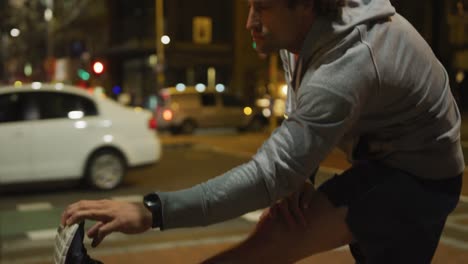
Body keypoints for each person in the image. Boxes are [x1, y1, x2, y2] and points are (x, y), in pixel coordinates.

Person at [61, 0, 465, 263]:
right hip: (388, 160)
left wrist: (149, 211)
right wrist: (302, 176)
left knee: (268, 246)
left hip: (416, 178)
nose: (251, 21)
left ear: (304, 6)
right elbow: (298, 106)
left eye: (264, 7)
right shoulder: (300, 36)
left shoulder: (348, 63)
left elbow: (268, 175)